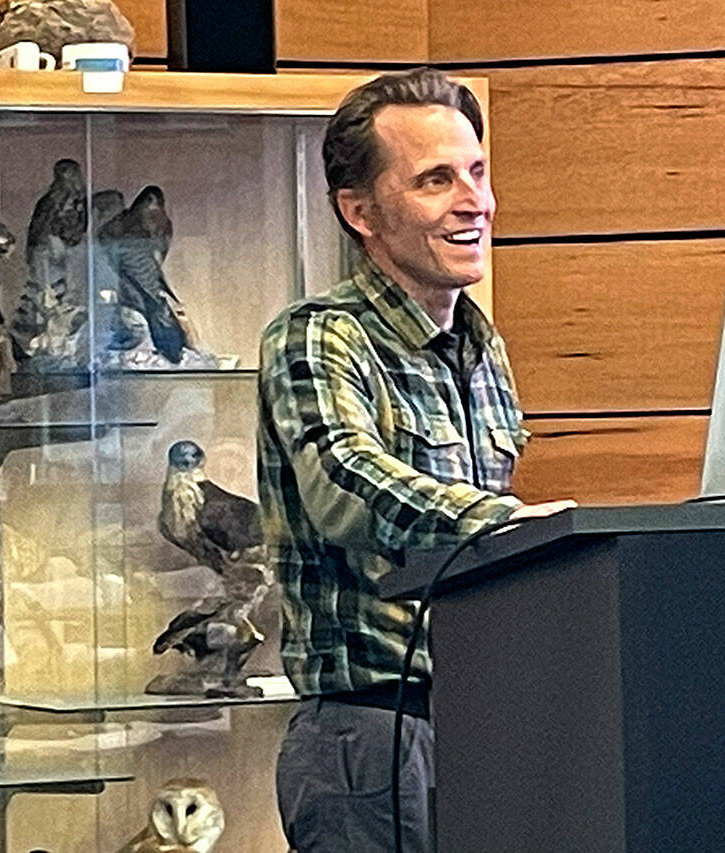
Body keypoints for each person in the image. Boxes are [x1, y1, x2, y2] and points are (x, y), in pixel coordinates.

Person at [257, 67, 574, 852]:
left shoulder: (479, 342)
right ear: (359, 211)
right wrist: (503, 521)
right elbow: (344, 482)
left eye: (477, 172)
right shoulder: (317, 335)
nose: (475, 202)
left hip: (486, 729)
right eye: (437, 179)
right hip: (372, 738)